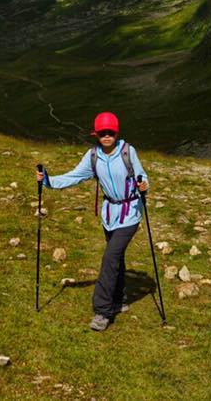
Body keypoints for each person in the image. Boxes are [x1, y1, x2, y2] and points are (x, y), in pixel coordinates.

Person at [36, 111, 149, 331]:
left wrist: (144, 185)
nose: (107, 136)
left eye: (110, 132)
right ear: (96, 134)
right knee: (116, 258)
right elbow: (74, 176)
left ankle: (102, 311)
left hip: (131, 213)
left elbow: (142, 176)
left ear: (116, 133)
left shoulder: (128, 151)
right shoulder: (93, 156)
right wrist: (48, 180)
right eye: (102, 132)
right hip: (109, 215)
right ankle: (119, 298)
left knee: (110, 257)